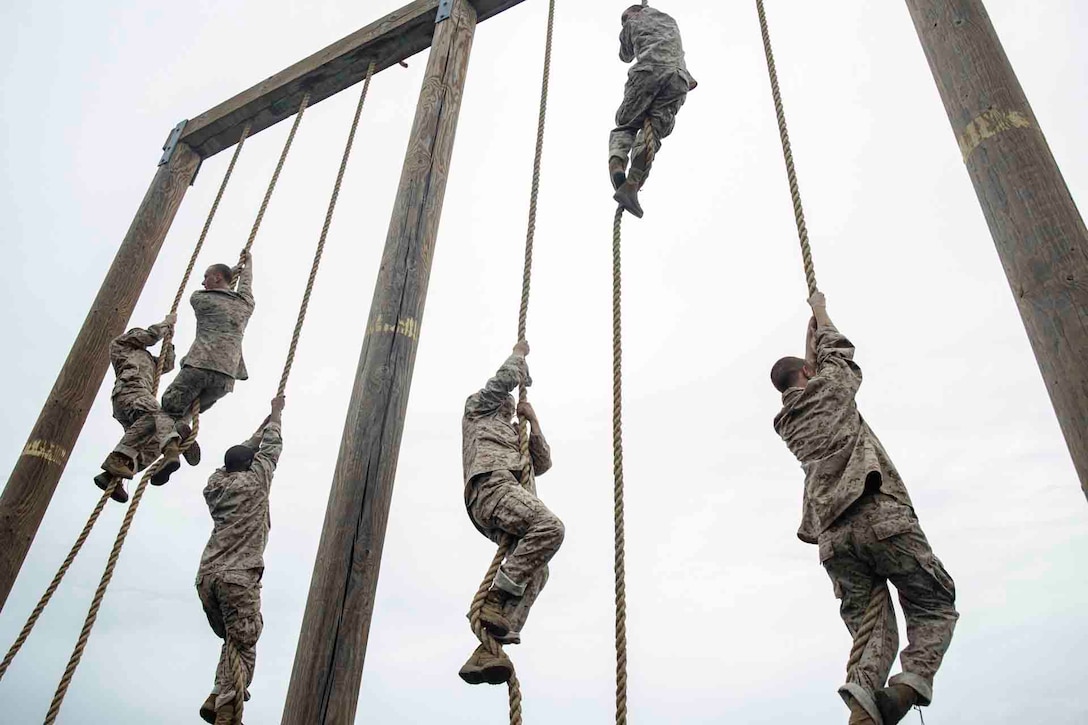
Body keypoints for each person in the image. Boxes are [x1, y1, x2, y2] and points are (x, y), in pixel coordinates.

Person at [771, 292, 958, 725]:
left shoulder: (787, 423)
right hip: (879, 516)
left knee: (871, 631)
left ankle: (863, 707)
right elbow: (839, 352)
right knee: (934, 602)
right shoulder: (833, 389)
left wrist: (807, 344)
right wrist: (819, 311)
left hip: (836, 539)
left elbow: (816, 372)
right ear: (808, 373)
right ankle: (910, 683)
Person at [458, 340, 564, 686]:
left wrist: (532, 422)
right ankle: (496, 597)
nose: (506, 400)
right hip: (492, 488)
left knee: (538, 573)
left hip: (510, 498)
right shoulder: (477, 410)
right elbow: (501, 381)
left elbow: (543, 462)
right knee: (550, 527)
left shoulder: (514, 431)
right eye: (504, 397)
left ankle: (489, 650)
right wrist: (518, 356)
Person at [195, 396, 284, 725]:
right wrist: (276, 416)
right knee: (247, 637)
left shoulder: (215, 487)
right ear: (251, 464)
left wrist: (259, 429)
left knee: (234, 636)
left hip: (208, 579)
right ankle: (229, 708)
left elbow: (234, 458)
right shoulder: (255, 482)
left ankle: (217, 694)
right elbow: (272, 448)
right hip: (238, 577)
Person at [160, 251, 256, 483]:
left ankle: (172, 448)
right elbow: (245, 287)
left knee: (168, 406)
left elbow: (223, 282)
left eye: (206, 276)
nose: (203, 282)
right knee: (193, 409)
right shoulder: (246, 305)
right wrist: (247, 266)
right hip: (225, 377)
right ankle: (183, 427)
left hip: (199, 366)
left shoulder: (200, 299)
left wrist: (233, 269)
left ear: (216, 278)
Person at [95, 314, 196, 502]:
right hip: (129, 392)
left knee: (152, 445)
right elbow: (149, 336)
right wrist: (165, 325)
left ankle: (113, 477)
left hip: (137, 404)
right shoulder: (121, 346)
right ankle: (170, 443)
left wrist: (169, 343)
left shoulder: (149, 360)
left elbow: (167, 364)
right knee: (158, 414)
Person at [610, 4, 697, 219]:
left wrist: (627, 28)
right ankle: (634, 182)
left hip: (648, 71)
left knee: (626, 124)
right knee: (654, 133)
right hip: (678, 79)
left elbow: (625, 55)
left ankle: (617, 167)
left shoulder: (632, 21)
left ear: (631, 13)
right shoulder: (669, 20)